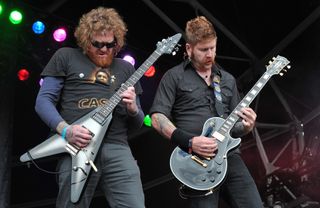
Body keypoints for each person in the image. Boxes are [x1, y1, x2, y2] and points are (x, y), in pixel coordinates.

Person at [34, 7, 145, 208]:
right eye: (97, 44)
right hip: (77, 145)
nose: (104, 49)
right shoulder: (65, 56)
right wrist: (66, 130)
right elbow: (43, 101)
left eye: (110, 44)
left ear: (117, 43)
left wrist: (133, 109)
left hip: (117, 147)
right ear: (86, 41)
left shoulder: (126, 68)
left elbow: (138, 123)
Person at [149, 16, 264, 208]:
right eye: (203, 49)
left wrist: (246, 126)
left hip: (230, 157)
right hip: (195, 161)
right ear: (189, 48)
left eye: (213, 48)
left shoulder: (226, 80)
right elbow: (156, 117)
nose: (210, 54)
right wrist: (190, 141)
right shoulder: (174, 77)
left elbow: (235, 129)